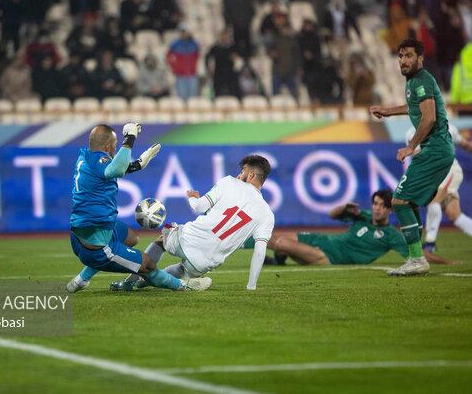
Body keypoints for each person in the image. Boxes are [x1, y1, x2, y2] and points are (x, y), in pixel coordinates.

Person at [66, 124, 211, 293]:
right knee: (148, 265)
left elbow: (109, 169)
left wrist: (137, 165)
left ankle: (82, 279)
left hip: (80, 235)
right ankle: (184, 286)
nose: (115, 151)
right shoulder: (101, 159)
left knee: (131, 238)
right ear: (108, 147)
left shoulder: (86, 158)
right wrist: (130, 138)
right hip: (97, 248)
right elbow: (115, 168)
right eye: (115, 146)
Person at [110, 155, 275, 291]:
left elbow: (199, 207)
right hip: (207, 261)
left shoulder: (230, 182)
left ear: (251, 175)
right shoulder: (267, 214)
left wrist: (192, 198)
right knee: (182, 269)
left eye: (243, 171)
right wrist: (251, 286)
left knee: (162, 240)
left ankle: (130, 281)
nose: (239, 175)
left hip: (188, 238)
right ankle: (148, 281)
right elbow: (260, 252)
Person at [370, 38, 455, 276]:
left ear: (420, 58)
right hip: (436, 149)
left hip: (435, 148)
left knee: (398, 201)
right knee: (409, 202)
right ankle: (416, 256)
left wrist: (410, 147)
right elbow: (415, 106)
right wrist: (387, 111)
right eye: (400, 56)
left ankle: (417, 258)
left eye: (408, 56)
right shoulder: (414, 83)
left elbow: (428, 118)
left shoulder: (423, 80)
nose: (403, 61)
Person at [244, 189, 460, 266]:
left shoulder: (391, 235)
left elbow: (418, 254)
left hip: (328, 257)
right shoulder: (363, 216)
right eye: (375, 203)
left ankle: (232, 244)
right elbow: (333, 215)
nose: (377, 209)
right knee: (275, 237)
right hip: (322, 240)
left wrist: (449, 262)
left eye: (382, 206)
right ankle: (279, 261)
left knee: (279, 243)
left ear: (389, 211)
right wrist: (343, 207)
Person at [405, 124, 472, 250]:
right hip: (434, 174)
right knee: (455, 215)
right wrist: (439, 149)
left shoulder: (449, 128)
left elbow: (465, 145)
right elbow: (415, 154)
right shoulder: (411, 133)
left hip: (449, 170)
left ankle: (430, 242)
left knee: (433, 200)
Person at [166, 23, 199, 101]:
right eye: (182, 31)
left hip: (192, 74)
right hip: (180, 75)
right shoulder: (175, 44)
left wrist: (194, 67)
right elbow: (168, 57)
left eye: (186, 31)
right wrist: (174, 67)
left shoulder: (194, 44)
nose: (184, 33)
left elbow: (197, 57)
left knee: (193, 98)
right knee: (181, 97)